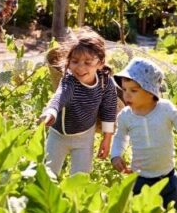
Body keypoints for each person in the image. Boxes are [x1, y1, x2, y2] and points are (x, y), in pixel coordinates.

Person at [110, 57, 177, 209]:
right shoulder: (126, 115)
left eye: (133, 90)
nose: (126, 95)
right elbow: (120, 137)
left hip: (167, 179)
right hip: (140, 181)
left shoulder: (165, 109)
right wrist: (115, 155)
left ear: (150, 91)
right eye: (124, 89)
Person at [37, 29, 119, 177]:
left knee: (80, 177)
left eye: (87, 62)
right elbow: (60, 96)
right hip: (58, 135)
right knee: (48, 174)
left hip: (84, 137)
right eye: (74, 62)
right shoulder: (69, 80)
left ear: (100, 63)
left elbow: (109, 111)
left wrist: (107, 139)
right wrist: (51, 111)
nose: (80, 68)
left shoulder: (105, 83)